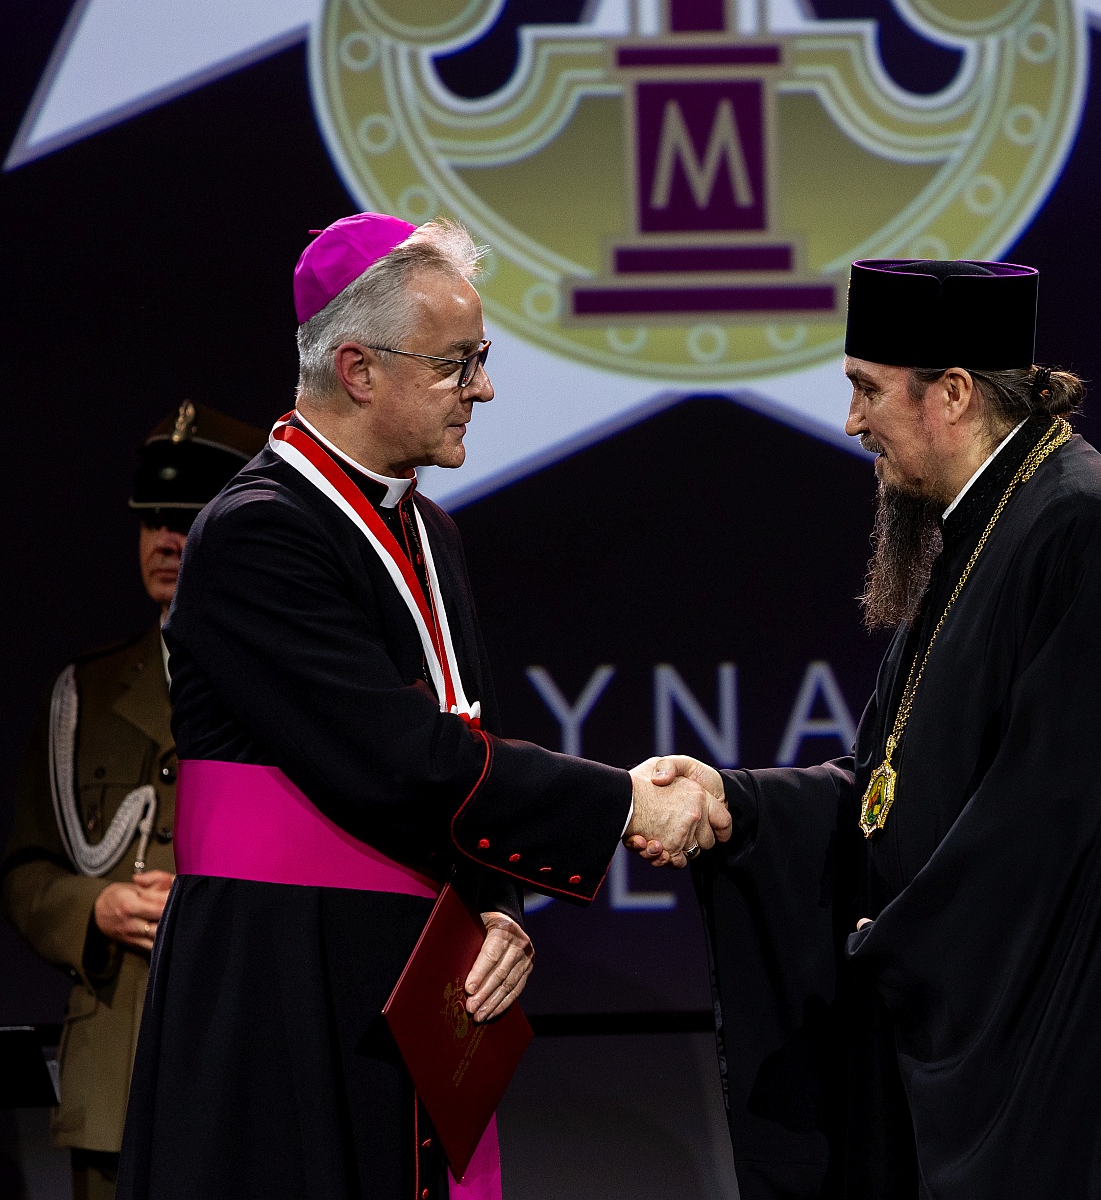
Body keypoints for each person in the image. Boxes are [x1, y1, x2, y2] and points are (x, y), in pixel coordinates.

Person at [639, 260, 1101, 1197]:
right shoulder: (988, 522)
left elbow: (1063, 824)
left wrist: (910, 937)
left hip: (1082, 1076)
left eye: (867, 390)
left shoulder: (1082, 531)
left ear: (951, 393)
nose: (851, 421)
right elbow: (898, 780)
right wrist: (737, 803)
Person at [116, 213, 724, 1200]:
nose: (483, 389)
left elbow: (464, 737)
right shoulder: (255, 535)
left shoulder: (429, 529)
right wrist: (623, 803)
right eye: (457, 364)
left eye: (480, 359)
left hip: (406, 974)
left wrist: (496, 910)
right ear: (358, 369)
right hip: (280, 975)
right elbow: (398, 756)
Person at [2, 400, 266, 1200]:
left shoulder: (286, 684)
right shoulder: (85, 693)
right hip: (117, 1068)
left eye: (187, 518)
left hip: (244, 1056)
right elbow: (27, 871)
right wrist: (97, 906)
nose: (165, 539)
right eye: (152, 519)